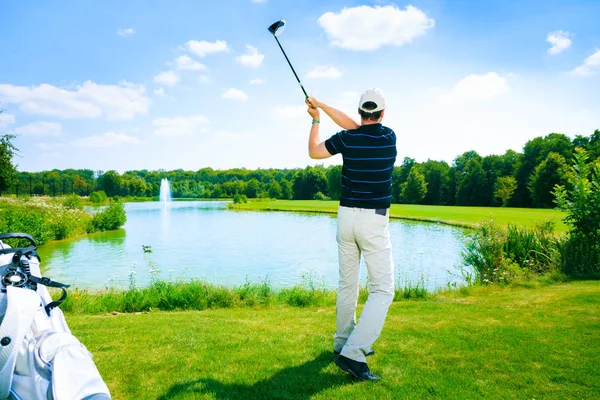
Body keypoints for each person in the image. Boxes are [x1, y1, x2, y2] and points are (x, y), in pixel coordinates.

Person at [305, 88, 397, 381]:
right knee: (383, 290)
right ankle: (353, 353)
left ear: (360, 112)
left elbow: (314, 152)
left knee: (348, 284)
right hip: (373, 221)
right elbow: (358, 127)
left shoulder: (348, 138)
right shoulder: (388, 137)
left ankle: (343, 341)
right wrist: (321, 106)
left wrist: (316, 118)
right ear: (382, 114)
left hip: (345, 218)